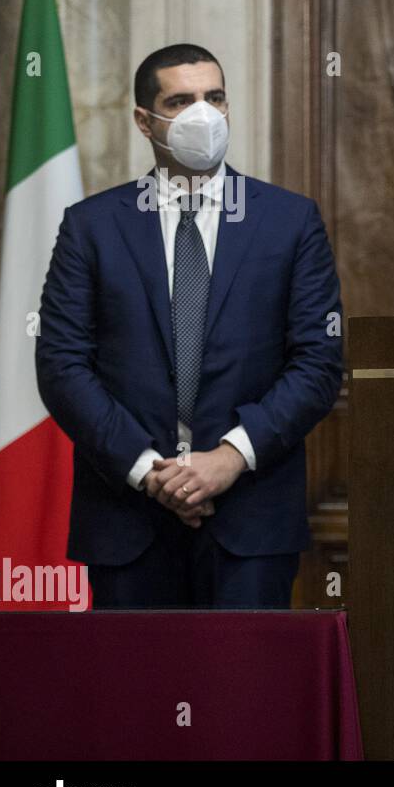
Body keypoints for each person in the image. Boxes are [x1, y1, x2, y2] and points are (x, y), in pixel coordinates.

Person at [36, 43, 344, 608]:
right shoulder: (92, 227)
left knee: (243, 692)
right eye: (179, 101)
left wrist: (227, 459)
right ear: (144, 120)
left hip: (251, 521)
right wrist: (150, 471)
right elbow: (61, 366)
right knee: (133, 693)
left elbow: (318, 365)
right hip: (127, 522)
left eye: (214, 97)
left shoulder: (289, 221)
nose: (202, 114)